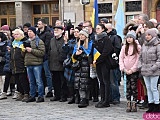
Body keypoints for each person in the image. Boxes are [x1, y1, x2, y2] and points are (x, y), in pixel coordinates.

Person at [138, 28, 160, 112]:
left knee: (154, 88)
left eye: (149, 35)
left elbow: (159, 59)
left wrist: (153, 67)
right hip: (145, 70)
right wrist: (140, 66)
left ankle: (157, 105)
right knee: (148, 87)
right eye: (146, 35)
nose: (147, 36)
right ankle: (151, 105)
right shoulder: (144, 45)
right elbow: (140, 57)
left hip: (154, 70)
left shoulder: (157, 45)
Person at [119, 31, 141, 112]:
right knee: (127, 87)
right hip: (126, 70)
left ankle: (134, 102)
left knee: (134, 87)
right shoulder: (124, 47)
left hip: (133, 71)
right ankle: (128, 102)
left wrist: (133, 69)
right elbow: (121, 58)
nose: (129, 39)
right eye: (128, 37)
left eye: (130, 37)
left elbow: (138, 59)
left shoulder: (137, 47)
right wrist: (123, 68)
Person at [93, 23, 113, 108]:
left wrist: (97, 59)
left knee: (106, 81)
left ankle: (106, 100)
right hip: (98, 63)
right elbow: (93, 50)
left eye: (98, 28)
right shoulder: (96, 39)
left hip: (105, 63)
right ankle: (102, 99)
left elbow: (106, 52)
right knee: (101, 81)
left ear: (103, 29)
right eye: (96, 28)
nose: (97, 30)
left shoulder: (106, 39)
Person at [72, 29, 93, 108]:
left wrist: (82, 54)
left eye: (82, 35)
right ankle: (82, 98)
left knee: (85, 83)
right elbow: (73, 56)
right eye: (80, 35)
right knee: (80, 83)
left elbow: (90, 55)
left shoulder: (90, 44)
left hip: (86, 66)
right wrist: (76, 54)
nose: (81, 36)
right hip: (79, 67)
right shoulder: (77, 44)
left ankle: (86, 98)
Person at [24, 27, 45, 103]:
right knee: (31, 82)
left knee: (38, 81)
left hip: (37, 64)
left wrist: (31, 50)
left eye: (30, 31)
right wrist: (23, 50)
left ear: (34, 32)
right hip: (28, 64)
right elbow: (23, 55)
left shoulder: (39, 41)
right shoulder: (26, 41)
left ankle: (40, 96)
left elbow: (42, 53)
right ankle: (32, 95)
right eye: (28, 31)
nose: (29, 33)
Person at [63, 27, 82, 104]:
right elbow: (66, 50)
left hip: (78, 62)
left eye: (77, 31)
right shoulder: (71, 41)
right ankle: (72, 96)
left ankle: (78, 96)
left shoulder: (82, 41)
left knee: (77, 81)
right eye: (75, 32)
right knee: (70, 81)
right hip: (70, 62)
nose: (76, 33)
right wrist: (66, 42)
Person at [49, 26, 68, 102]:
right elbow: (49, 51)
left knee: (63, 81)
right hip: (53, 63)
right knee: (55, 81)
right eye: (55, 29)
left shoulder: (64, 39)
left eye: (58, 30)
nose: (55, 31)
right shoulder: (52, 40)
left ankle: (64, 96)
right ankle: (57, 95)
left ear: (62, 31)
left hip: (62, 63)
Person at [10, 29, 30, 102]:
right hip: (14, 65)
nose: (15, 36)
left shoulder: (24, 42)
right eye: (14, 34)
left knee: (23, 80)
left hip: (22, 64)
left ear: (21, 35)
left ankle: (26, 93)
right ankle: (20, 93)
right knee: (17, 81)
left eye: (17, 34)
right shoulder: (13, 43)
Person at [105, 23, 122, 104]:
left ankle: (116, 97)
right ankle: (109, 97)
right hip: (105, 62)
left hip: (112, 62)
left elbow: (118, 48)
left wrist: (110, 51)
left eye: (107, 29)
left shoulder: (115, 37)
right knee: (107, 81)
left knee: (113, 81)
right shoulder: (104, 37)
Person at [37, 19, 53, 97]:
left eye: (39, 24)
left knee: (47, 74)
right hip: (38, 57)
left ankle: (50, 90)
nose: (38, 25)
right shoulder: (37, 33)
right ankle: (41, 90)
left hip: (45, 57)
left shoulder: (48, 34)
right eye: (38, 24)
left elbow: (47, 46)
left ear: (44, 24)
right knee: (40, 75)